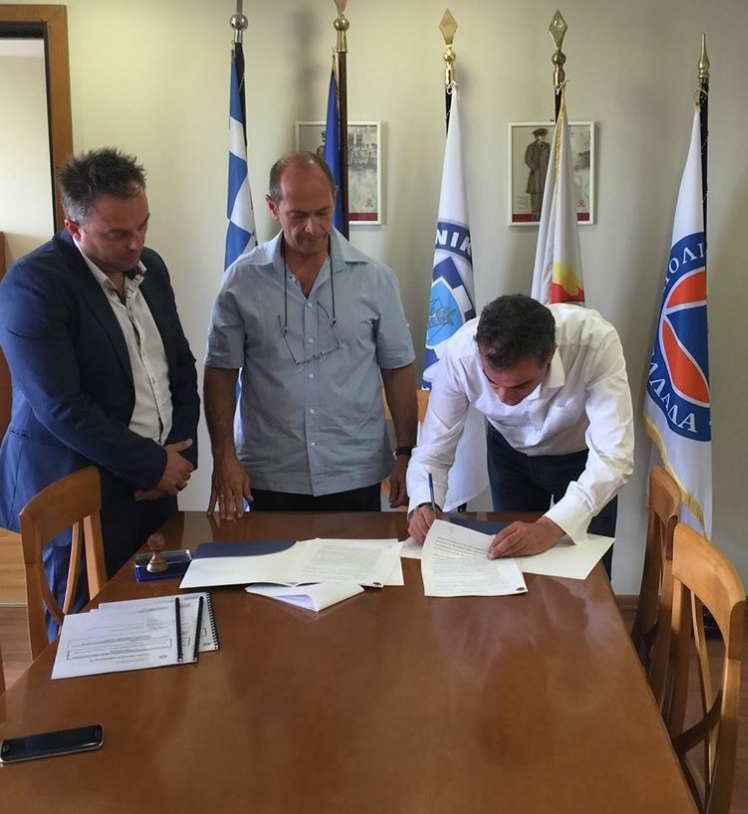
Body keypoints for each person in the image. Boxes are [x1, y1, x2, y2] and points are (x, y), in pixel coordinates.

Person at [0, 147, 200, 612]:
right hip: (76, 489)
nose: (135, 243)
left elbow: (180, 364)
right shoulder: (33, 285)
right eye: (117, 233)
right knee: (83, 627)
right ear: (73, 227)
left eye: (142, 225)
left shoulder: (151, 267)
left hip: (155, 481)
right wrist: (152, 465)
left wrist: (180, 456)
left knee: (158, 610)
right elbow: (61, 406)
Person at [204, 151, 417, 519]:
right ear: (272, 207)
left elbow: (397, 369)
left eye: (322, 213)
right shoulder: (242, 281)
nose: (313, 228)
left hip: (353, 470)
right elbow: (220, 373)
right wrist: (224, 456)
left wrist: (406, 453)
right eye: (298, 216)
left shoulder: (375, 279)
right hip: (271, 472)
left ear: (334, 197)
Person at [407, 294, 634, 576]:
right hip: (508, 455)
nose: (504, 398)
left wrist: (549, 528)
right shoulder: (460, 355)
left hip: (582, 461)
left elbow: (613, 457)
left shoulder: (594, 343)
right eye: (493, 382)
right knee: (510, 565)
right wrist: (424, 503)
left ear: (550, 355)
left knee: (590, 577)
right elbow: (433, 450)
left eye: (520, 385)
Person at [524, 127, 550, 220]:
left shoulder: (548, 146)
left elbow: (551, 159)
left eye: (544, 135)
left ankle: (544, 214)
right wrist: (535, 168)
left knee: (545, 195)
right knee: (535, 196)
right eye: (540, 135)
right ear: (536, 137)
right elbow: (528, 159)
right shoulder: (531, 147)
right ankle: (535, 214)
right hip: (535, 176)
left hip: (546, 175)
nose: (543, 137)